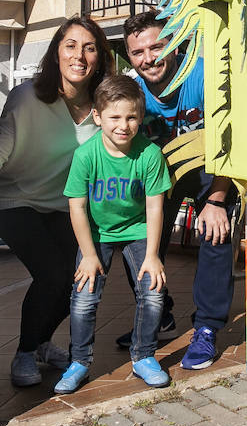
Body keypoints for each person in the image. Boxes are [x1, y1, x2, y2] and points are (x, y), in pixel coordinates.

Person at [0, 16, 112, 388]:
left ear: (100, 57)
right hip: (14, 197)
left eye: (89, 47)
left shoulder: (102, 108)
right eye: (71, 46)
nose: (80, 55)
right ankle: (25, 351)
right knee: (53, 274)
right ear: (56, 53)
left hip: (62, 204)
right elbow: (2, 151)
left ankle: (42, 342)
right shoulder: (27, 96)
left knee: (83, 277)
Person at [123, 10, 238, 371]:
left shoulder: (203, 75)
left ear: (174, 45)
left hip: (212, 167)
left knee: (215, 230)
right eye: (138, 52)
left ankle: (206, 326)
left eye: (156, 47)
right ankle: (159, 312)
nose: (148, 58)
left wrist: (218, 199)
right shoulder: (132, 93)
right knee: (134, 233)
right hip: (164, 174)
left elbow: (233, 139)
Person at [54, 75, 173, 393]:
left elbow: (154, 208)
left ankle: (144, 356)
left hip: (137, 229)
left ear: (140, 116)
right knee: (84, 298)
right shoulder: (86, 156)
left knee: (153, 289)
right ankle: (79, 362)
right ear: (98, 116)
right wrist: (89, 255)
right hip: (97, 232)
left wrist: (152, 255)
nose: (124, 125)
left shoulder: (149, 155)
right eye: (115, 117)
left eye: (132, 117)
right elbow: (76, 207)